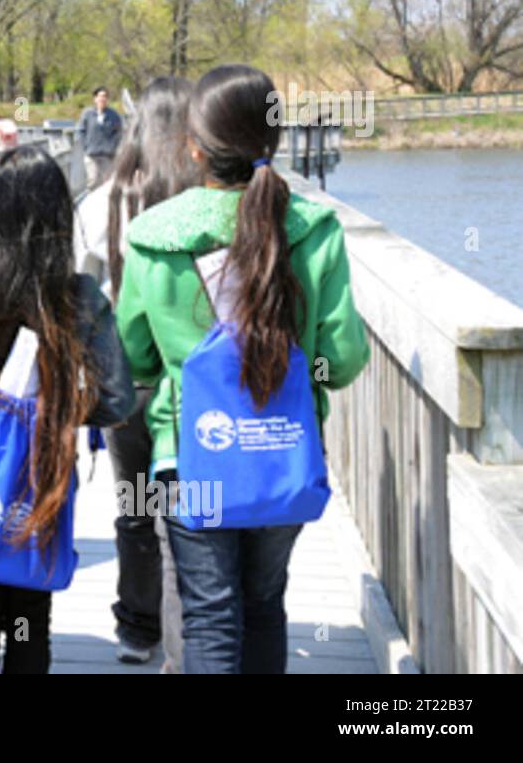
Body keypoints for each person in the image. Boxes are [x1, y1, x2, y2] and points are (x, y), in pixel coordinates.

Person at [114, 64, 370, 674]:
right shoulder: (315, 231)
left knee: (209, 614)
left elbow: (135, 358)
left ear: (194, 147)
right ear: (273, 140)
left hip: (191, 458)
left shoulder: (153, 237)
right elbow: (344, 358)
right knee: (264, 607)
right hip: (282, 455)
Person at [0, 145, 135, 674]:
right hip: (44, 471)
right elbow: (119, 400)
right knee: (30, 614)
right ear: (57, 215)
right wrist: (59, 408)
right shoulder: (75, 296)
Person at [97, 77, 202, 670]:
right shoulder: (201, 196)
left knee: (136, 507)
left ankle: (139, 627)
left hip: (125, 378)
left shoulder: (106, 200)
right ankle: (194, 627)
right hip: (190, 373)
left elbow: (85, 278)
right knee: (188, 516)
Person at [77, 86, 124, 191]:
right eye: (100, 96)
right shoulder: (87, 114)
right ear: (95, 98)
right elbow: (81, 131)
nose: (102, 99)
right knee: (92, 181)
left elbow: (118, 133)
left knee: (107, 182)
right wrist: (86, 146)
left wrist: (112, 147)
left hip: (107, 155)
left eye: (105, 96)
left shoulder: (114, 115)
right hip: (91, 154)